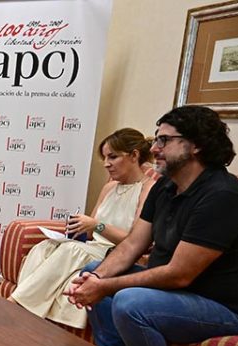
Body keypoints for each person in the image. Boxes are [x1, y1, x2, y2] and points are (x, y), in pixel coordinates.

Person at [67, 105, 238, 346]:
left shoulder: (222, 195)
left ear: (196, 145)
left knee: (130, 301)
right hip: (176, 294)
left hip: (220, 306)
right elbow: (134, 243)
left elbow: (179, 275)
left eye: (163, 141)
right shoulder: (164, 184)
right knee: (95, 270)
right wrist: (96, 279)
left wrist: (105, 286)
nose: (154, 149)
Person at [11, 128, 154, 328]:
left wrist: (97, 225)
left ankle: (16, 306)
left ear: (134, 155)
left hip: (115, 253)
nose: (106, 164)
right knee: (45, 247)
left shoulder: (149, 190)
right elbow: (89, 231)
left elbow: (134, 242)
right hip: (92, 246)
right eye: (104, 158)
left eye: (113, 157)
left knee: (71, 250)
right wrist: (78, 227)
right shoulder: (109, 187)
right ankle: (29, 312)